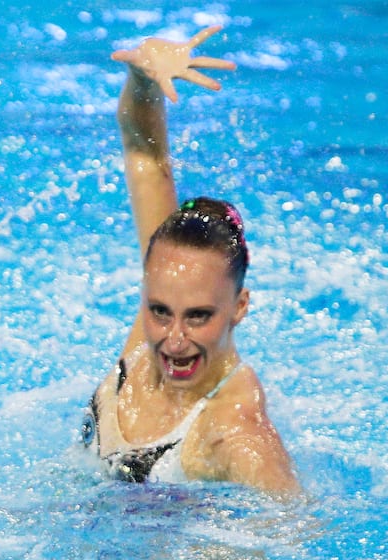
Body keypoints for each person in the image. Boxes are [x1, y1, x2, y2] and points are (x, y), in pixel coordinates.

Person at [84, 26, 300, 496]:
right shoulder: (166, 293)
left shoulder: (232, 429)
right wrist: (143, 77)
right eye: (159, 310)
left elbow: (295, 530)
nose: (174, 341)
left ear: (239, 307)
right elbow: (146, 154)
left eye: (199, 316)